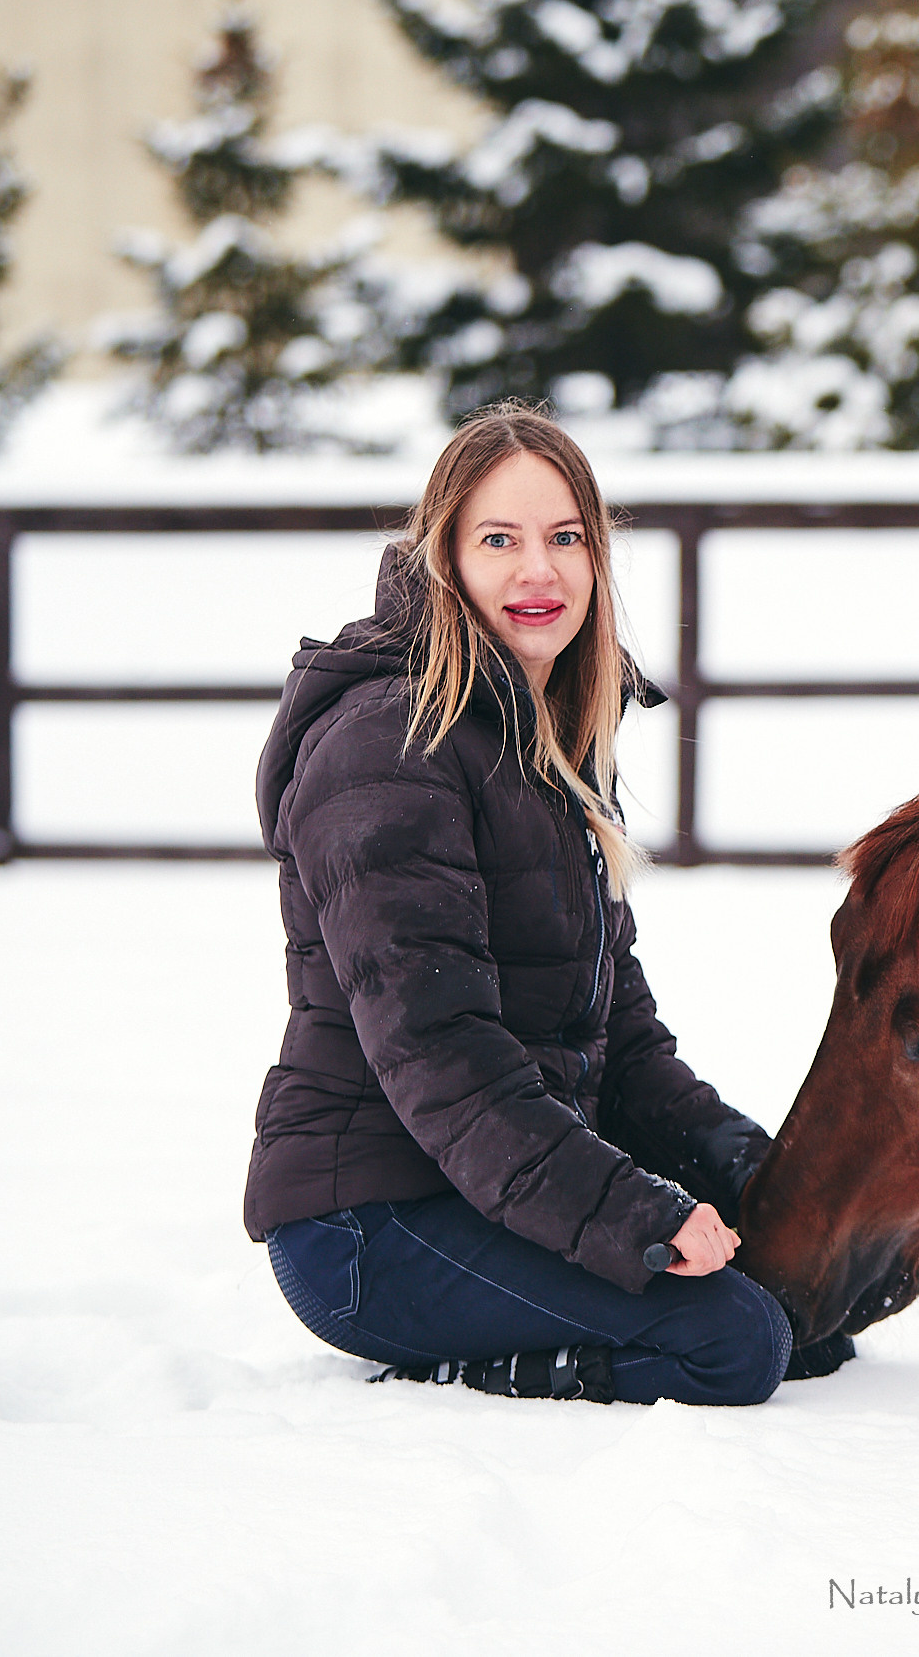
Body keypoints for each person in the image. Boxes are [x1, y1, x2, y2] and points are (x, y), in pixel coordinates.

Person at [244, 401, 843, 1403]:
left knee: (801, 1306)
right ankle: (453, 1385)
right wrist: (637, 1218)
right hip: (370, 1224)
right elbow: (446, 1065)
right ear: (444, 558)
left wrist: (774, 1188)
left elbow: (627, 1045)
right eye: (500, 540)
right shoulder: (388, 748)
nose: (540, 572)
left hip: (490, 1185)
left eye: (566, 538)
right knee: (733, 1342)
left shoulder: (545, 746)